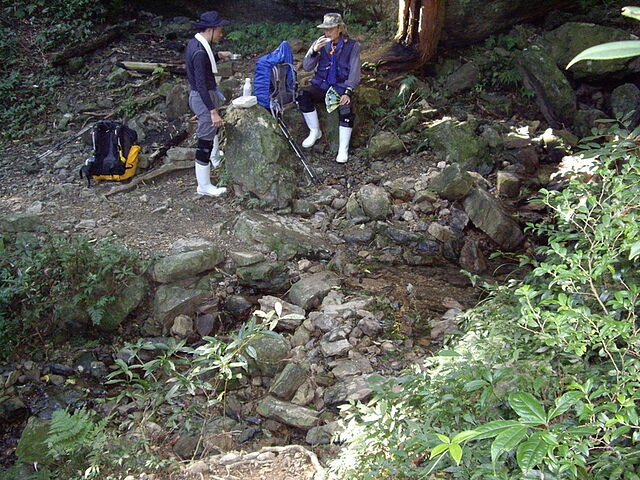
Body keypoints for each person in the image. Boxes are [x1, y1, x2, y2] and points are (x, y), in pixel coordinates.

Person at [298, 13, 361, 164]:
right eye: (325, 29)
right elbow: (307, 67)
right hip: (321, 84)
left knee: (345, 107)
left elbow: (354, 71)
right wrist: (313, 50)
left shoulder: (352, 45)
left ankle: (342, 149)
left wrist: (348, 92)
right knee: (302, 95)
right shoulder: (320, 44)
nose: (327, 33)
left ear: (339, 28)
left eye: (331, 29)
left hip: (340, 86)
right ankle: (315, 131)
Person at [185, 11, 232, 196]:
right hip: (202, 97)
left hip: (203, 95)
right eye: (220, 30)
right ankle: (203, 186)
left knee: (212, 131)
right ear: (211, 30)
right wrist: (212, 111)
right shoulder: (198, 52)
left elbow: (206, 60)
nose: (222, 33)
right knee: (204, 141)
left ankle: (214, 157)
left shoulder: (196, 44)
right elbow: (201, 84)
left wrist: (219, 55)